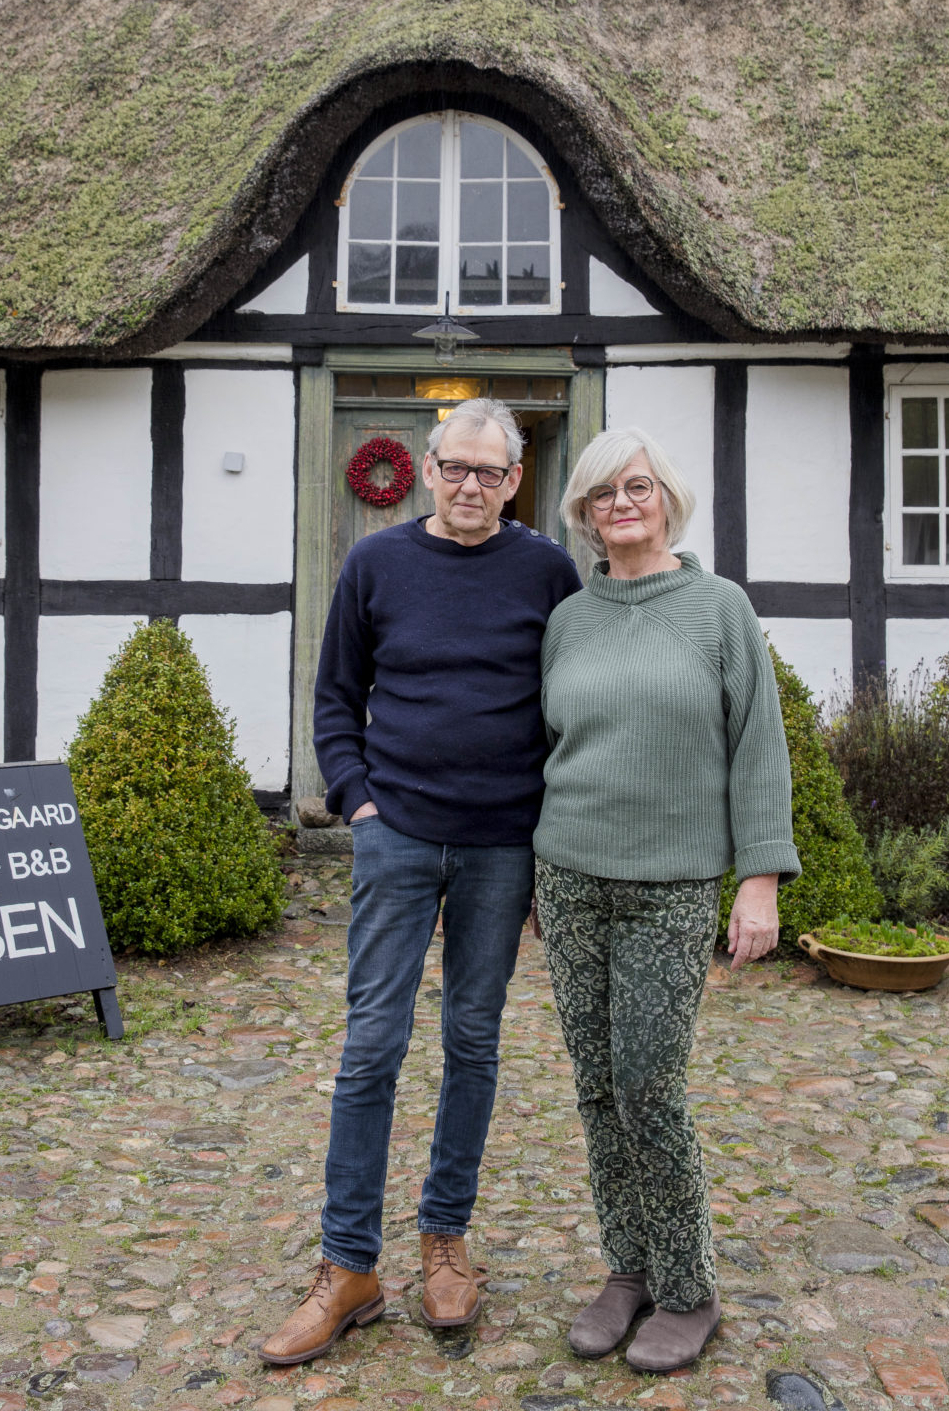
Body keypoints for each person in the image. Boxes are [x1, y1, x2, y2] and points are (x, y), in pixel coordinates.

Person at [260, 398, 581, 1366]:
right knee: (371, 1046)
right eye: (456, 467)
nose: (471, 485)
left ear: (514, 480)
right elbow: (333, 697)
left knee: (472, 1044)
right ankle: (347, 1265)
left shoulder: (547, 573)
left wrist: (546, 840)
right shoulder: (375, 565)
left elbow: (568, 704)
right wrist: (359, 806)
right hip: (396, 838)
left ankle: (446, 1242)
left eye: (491, 472)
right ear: (429, 467)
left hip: (500, 847)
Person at [533, 427, 799, 1374]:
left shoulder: (718, 609)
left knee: (649, 1083)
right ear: (584, 513)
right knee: (598, 1085)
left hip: (671, 886)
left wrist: (758, 878)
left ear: (667, 496)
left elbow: (758, 745)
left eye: (635, 486)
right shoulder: (570, 619)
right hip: (567, 878)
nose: (621, 505)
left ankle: (688, 1287)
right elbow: (547, 747)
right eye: (602, 494)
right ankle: (628, 1268)